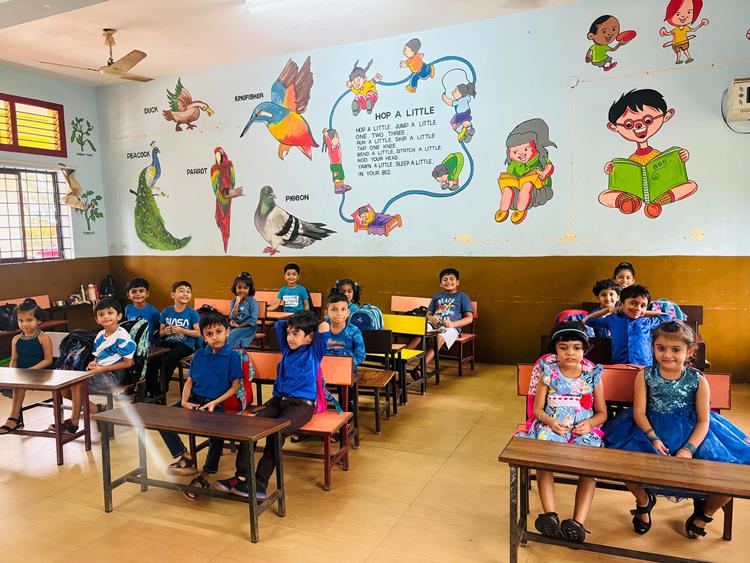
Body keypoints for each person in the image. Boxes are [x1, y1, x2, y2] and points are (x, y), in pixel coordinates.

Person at [605, 321, 750, 538]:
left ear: (689, 351)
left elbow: (703, 420)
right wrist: (653, 438)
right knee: (621, 462)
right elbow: (639, 412)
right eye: (661, 348)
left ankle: (704, 514)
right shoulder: (645, 375)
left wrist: (688, 449)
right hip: (649, 431)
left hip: (693, 436)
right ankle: (644, 502)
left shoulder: (697, 380)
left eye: (675, 350)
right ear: (653, 347)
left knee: (730, 476)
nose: (667, 355)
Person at [215, 311, 330, 499]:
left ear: (310, 337)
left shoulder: (314, 352)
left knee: (276, 433)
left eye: (296, 334)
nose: (290, 337)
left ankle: (260, 483)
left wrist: (309, 323)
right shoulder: (287, 348)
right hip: (278, 401)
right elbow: (279, 325)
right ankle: (242, 477)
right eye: (289, 333)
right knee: (249, 426)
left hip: (301, 406)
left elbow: (324, 327)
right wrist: (295, 323)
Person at [516, 321, 606, 543]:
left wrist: (590, 424)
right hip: (552, 426)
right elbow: (537, 410)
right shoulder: (548, 373)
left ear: (584, 350)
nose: (570, 353)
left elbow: (602, 413)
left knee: (589, 465)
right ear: (555, 349)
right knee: (544, 457)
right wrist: (550, 421)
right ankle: (550, 515)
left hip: (582, 430)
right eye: (563, 347)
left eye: (576, 348)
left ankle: (577, 522)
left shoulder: (592, 374)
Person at [158, 311, 242, 499]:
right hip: (195, 400)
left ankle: (206, 475)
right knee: (162, 420)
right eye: (209, 334)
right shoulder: (199, 355)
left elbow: (235, 386)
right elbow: (190, 381)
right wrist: (184, 402)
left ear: (227, 331)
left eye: (219, 332)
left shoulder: (232, 356)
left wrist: (215, 402)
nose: (215, 337)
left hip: (216, 404)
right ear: (204, 337)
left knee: (216, 435)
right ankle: (185, 455)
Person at [600, 89, 697, 218]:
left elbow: (673, 169)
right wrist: (611, 169)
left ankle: (659, 201)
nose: (638, 126)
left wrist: (682, 156)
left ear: (666, 116)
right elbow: (622, 178)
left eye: (647, 120)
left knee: (691, 186)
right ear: (615, 127)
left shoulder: (660, 155)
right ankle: (629, 201)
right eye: (628, 124)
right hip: (633, 192)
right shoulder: (631, 160)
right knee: (604, 196)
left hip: (662, 189)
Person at [56, 297, 136, 433]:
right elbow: (98, 356)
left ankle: (73, 423)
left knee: (77, 384)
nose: (106, 317)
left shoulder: (122, 337)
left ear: (119, 316)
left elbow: (128, 363)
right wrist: (94, 362)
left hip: (114, 375)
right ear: (97, 319)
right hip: (101, 371)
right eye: (101, 314)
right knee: (65, 390)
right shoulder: (100, 335)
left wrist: (102, 369)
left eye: (110, 313)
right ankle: (98, 410)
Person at [409, 268, 473, 381]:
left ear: (457, 282)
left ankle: (420, 368)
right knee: (420, 329)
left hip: (451, 327)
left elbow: (469, 318)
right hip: (434, 324)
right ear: (441, 283)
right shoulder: (437, 296)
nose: (448, 281)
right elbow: (428, 314)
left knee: (439, 338)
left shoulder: (462, 296)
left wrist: (453, 324)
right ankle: (401, 359)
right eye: (445, 279)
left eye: (452, 279)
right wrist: (430, 317)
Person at [0, 299, 53, 435]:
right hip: (23, 374)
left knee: (19, 384)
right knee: (15, 382)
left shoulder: (43, 337)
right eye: (21, 320)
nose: (24, 324)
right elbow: (14, 360)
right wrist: (13, 371)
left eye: (29, 320)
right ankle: (14, 417)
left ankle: (13, 418)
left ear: (39, 320)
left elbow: (48, 360)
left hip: (42, 373)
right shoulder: (16, 339)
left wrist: (29, 371)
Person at [584, 284, 670, 366]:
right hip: (620, 365)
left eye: (643, 305)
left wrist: (642, 312)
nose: (638, 308)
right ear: (622, 304)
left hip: (643, 366)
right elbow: (588, 320)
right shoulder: (613, 319)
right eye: (633, 303)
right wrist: (608, 310)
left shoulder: (646, 321)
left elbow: (667, 316)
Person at [495, 118, 556, 225]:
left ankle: (521, 210)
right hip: (519, 192)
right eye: (515, 152)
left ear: (535, 147)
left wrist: (544, 174)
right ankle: (503, 210)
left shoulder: (538, 159)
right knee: (508, 189)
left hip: (538, 188)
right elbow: (511, 177)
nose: (520, 154)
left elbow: (549, 167)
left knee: (527, 185)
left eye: (526, 149)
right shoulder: (513, 165)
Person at [159, 280, 201, 396]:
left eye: (188, 291)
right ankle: (153, 389)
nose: (185, 294)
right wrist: (165, 332)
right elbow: (161, 333)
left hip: (185, 344)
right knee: (154, 358)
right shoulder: (166, 311)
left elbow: (197, 333)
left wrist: (181, 330)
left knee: (169, 359)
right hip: (169, 342)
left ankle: (162, 388)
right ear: (173, 295)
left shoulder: (192, 313)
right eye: (181, 291)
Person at [124, 277, 162, 396]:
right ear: (129, 295)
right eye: (134, 291)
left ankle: (152, 391)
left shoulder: (153, 311)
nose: (138, 294)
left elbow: (159, 329)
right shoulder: (128, 309)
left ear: (147, 294)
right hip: (132, 345)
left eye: (141, 291)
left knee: (149, 368)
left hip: (149, 346)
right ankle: (131, 388)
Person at [659, 0, 709, 65]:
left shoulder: (686, 28)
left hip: (684, 42)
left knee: (685, 50)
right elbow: (669, 33)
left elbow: (694, 30)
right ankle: (678, 60)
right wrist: (664, 33)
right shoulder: (675, 30)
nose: (683, 16)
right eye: (678, 14)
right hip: (675, 44)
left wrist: (701, 24)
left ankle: (689, 58)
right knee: (678, 53)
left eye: (689, 12)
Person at [324, 292, 365, 369]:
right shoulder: (322, 331)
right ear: (326, 313)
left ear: (348, 312)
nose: (339, 313)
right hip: (325, 369)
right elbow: (316, 352)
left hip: (347, 370)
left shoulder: (354, 331)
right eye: (334, 309)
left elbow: (360, 355)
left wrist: (346, 366)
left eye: (343, 309)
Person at [227, 272, 259, 349]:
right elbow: (232, 317)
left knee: (233, 334)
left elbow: (253, 320)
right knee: (225, 334)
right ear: (235, 288)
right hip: (234, 327)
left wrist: (239, 326)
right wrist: (236, 303)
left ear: (249, 289)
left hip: (248, 327)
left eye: (245, 288)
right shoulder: (233, 302)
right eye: (239, 287)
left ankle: (231, 352)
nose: (242, 290)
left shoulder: (252, 301)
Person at [322, 128, 351, 194]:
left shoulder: (337, 146)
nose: (336, 139)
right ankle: (337, 187)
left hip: (339, 164)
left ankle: (342, 185)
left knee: (341, 175)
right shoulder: (331, 147)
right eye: (334, 137)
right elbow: (328, 141)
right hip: (334, 165)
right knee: (337, 176)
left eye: (337, 137)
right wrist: (326, 135)